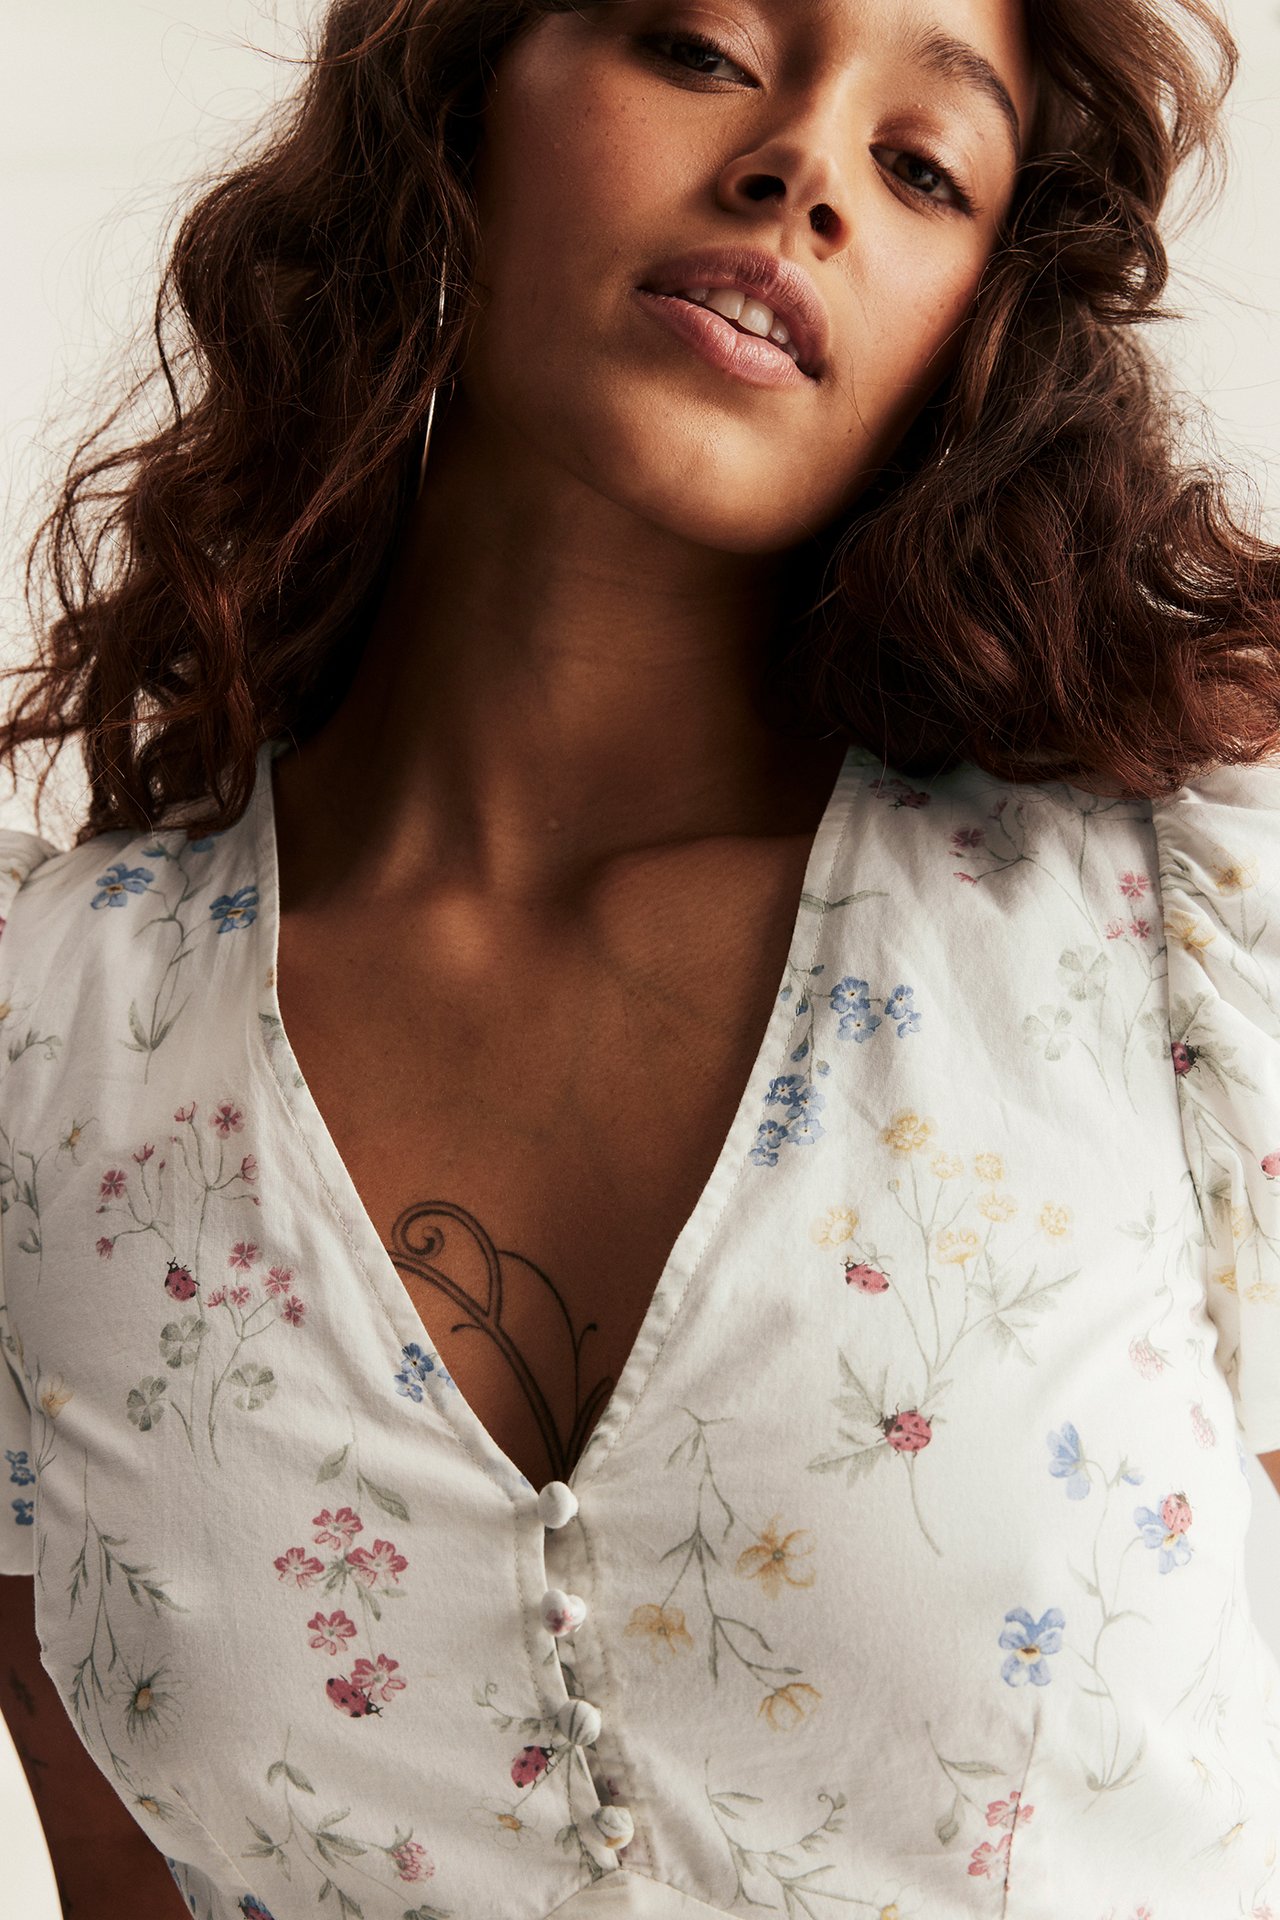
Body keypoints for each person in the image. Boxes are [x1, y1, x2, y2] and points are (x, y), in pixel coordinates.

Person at [2, 0, 1279, 1915]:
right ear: (454, 106)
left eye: (925, 165)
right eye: (698, 45)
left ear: (980, 327)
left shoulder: (1172, 898)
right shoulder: (45, 1037)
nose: (806, 172)